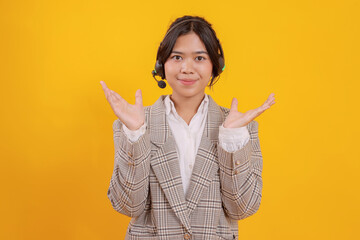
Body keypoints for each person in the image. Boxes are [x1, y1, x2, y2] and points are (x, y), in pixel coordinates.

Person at [101, 15, 275, 240]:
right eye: (177, 57)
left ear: (216, 65)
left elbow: (242, 208)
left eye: (199, 58)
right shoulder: (133, 124)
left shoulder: (240, 128)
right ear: (161, 65)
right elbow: (127, 206)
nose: (187, 68)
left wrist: (231, 139)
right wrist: (136, 133)